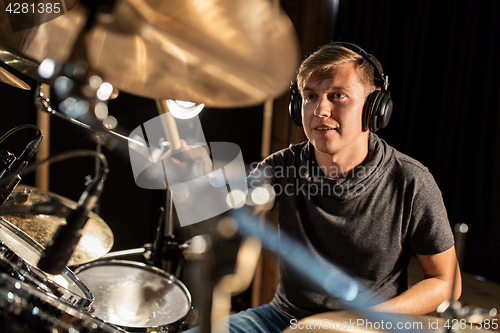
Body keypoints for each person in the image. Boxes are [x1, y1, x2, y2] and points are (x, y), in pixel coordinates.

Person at [185, 42, 461, 333]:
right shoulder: (283, 167)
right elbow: (217, 214)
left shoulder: (410, 181)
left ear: (374, 108)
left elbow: (446, 282)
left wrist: (368, 318)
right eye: (310, 96)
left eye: (337, 96)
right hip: (284, 319)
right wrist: (195, 180)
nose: (320, 110)